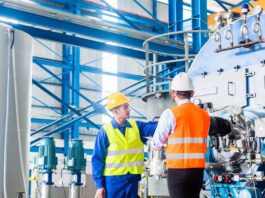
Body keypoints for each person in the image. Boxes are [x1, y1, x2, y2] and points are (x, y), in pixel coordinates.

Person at [152, 72, 210, 198]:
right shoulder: (205, 115)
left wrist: (159, 144)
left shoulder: (170, 114)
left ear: (173, 94)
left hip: (177, 171)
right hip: (197, 171)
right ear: (192, 93)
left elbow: (156, 142)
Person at [92, 91, 157, 198]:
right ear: (115, 110)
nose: (128, 109)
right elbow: (97, 160)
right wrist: (99, 186)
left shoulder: (137, 127)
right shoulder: (105, 131)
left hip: (133, 181)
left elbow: (154, 127)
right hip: (113, 183)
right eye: (125, 107)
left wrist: (170, 118)